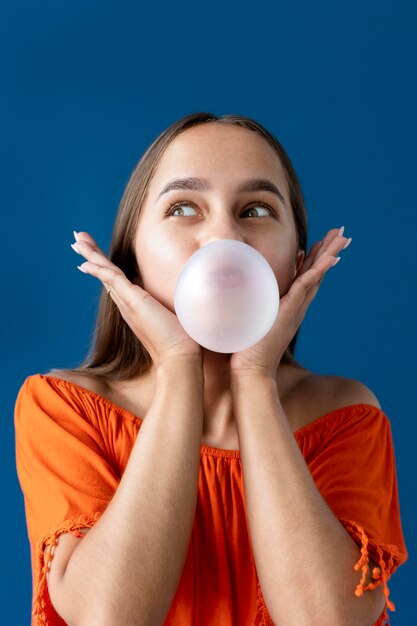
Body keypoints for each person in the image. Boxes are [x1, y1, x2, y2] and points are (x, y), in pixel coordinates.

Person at [15, 112, 408, 626]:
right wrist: (179, 366)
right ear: (131, 260)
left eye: (257, 210)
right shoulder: (63, 408)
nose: (225, 238)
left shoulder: (346, 416)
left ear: (295, 262)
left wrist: (255, 379)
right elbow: (109, 618)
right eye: (182, 207)